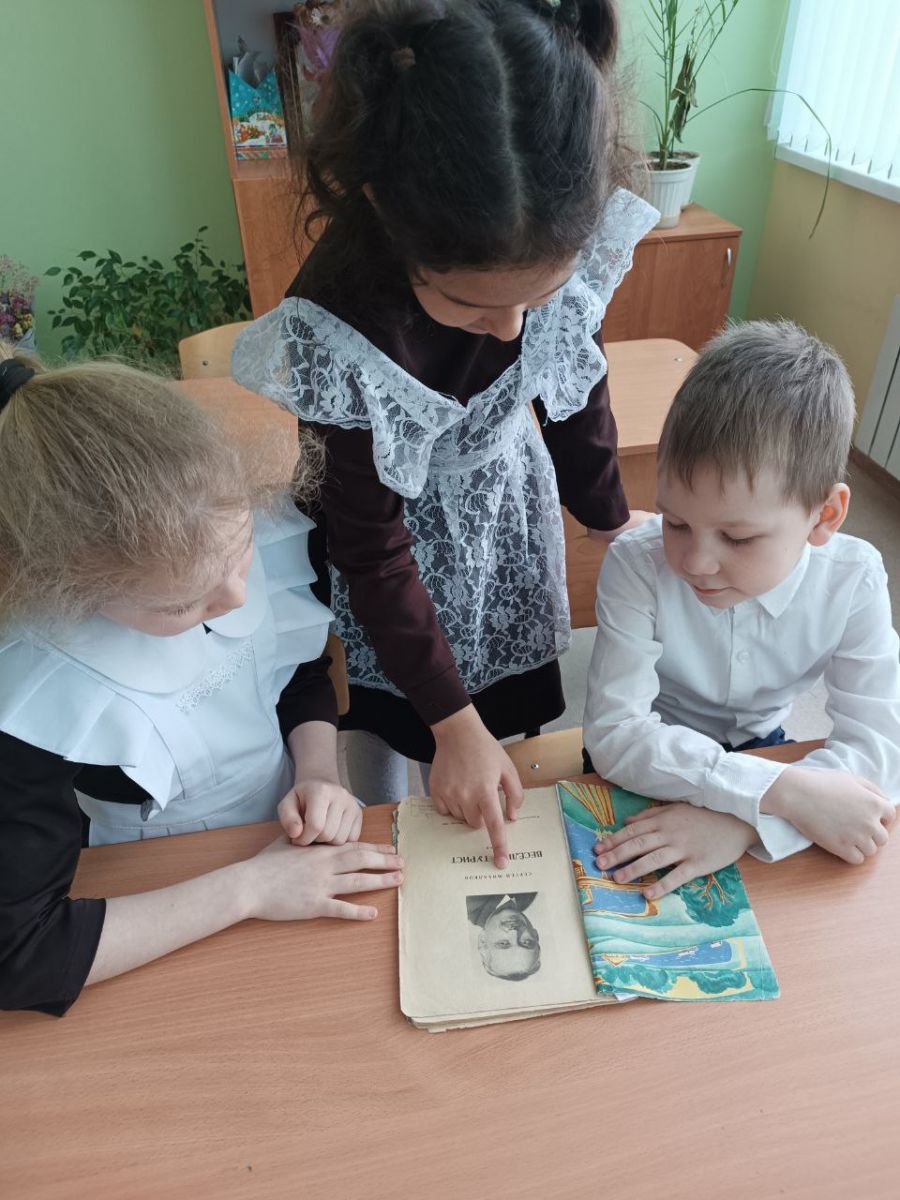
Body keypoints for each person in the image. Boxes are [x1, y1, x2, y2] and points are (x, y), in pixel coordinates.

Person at [233, 0, 658, 869]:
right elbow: (369, 549)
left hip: (506, 504)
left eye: (538, 296)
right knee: (408, 740)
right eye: (471, 305)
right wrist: (452, 723)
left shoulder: (554, 217)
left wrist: (608, 517)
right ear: (387, 211)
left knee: (505, 721)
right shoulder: (341, 321)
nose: (510, 331)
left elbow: (573, 382)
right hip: (392, 546)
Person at [0, 350, 403, 1016]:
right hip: (159, 892)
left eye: (240, 557)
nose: (236, 597)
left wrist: (318, 772)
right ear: (76, 592)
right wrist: (250, 889)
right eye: (184, 605)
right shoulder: (36, 694)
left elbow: (292, 670)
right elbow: (19, 956)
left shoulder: (218, 527)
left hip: (285, 836)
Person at [582, 321, 900, 900]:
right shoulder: (637, 563)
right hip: (650, 755)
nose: (696, 561)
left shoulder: (854, 578)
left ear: (825, 516)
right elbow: (617, 734)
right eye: (676, 522)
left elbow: (881, 750)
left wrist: (745, 822)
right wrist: (779, 795)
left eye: (738, 537)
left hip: (763, 748)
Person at [465, 893, 541, 981]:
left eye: (503, 943)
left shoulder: (470, 903)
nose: (514, 932)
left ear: (483, 941)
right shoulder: (527, 898)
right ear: (535, 935)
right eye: (526, 942)